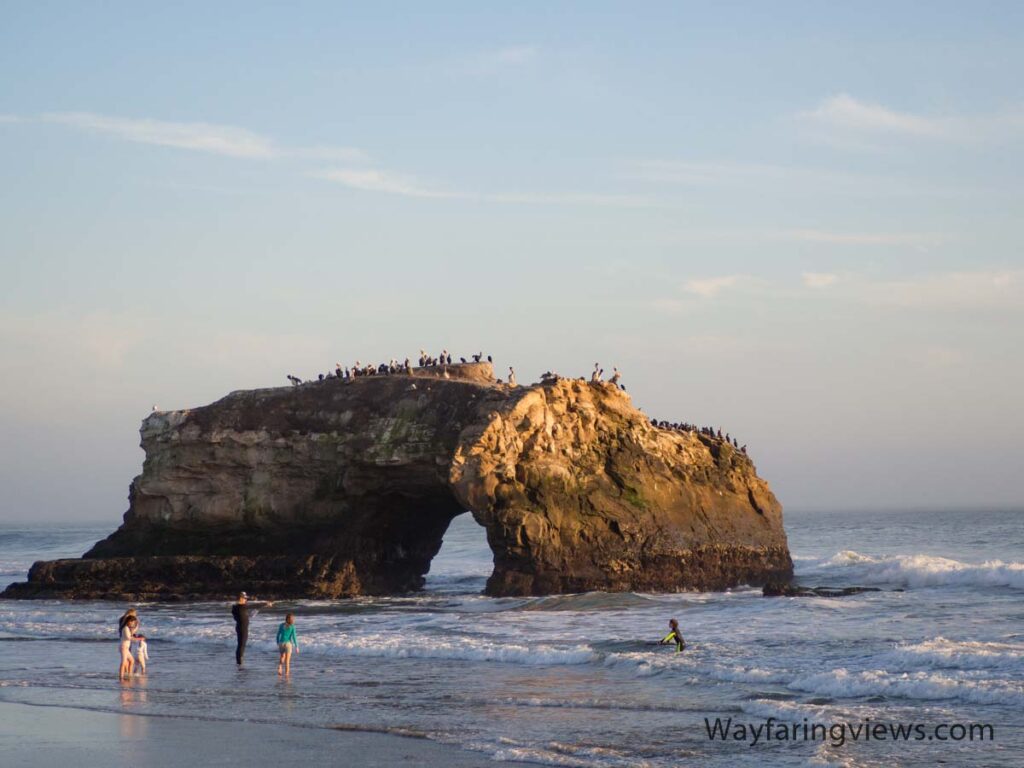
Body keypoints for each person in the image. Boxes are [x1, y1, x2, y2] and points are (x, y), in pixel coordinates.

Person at [231, 592, 272, 666]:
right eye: (245, 598)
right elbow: (254, 605)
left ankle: (238, 663)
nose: (246, 600)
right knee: (242, 646)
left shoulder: (235, 607)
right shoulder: (242, 607)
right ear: (240, 598)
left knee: (240, 645)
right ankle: (240, 664)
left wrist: (260, 607)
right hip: (243, 628)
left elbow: (248, 613)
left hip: (239, 627)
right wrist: (265, 603)